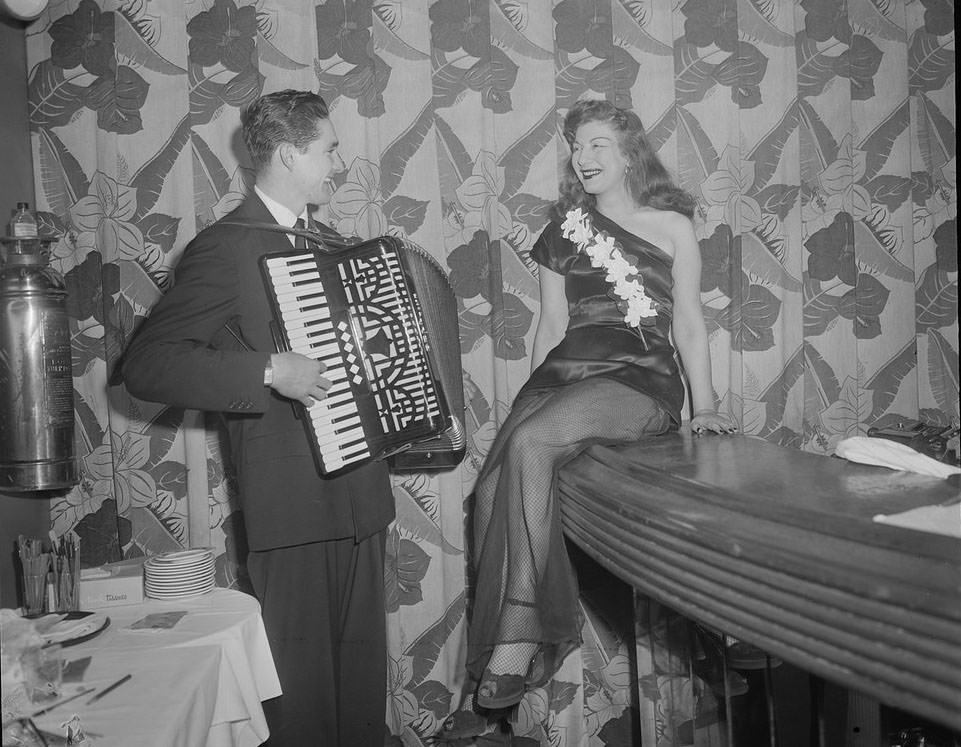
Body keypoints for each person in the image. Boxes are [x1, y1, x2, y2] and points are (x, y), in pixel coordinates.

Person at [442, 98, 737, 738]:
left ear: (630, 152)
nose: (583, 154)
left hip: (637, 377)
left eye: (598, 142)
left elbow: (688, 320)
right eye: (577, 144)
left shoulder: (672, 226)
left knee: (538, 443)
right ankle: (498, 672)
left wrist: (705, 404)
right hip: (565, 373)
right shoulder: (563, 228)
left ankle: (517, 641)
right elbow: (550, 325)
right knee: (494, 484)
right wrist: (528, 400)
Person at [121, 90, 394, 746]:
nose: (338, 161)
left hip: (361, 501)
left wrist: (397, 394)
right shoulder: (224, 247)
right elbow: (148, 365)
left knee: (359, 701)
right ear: (291, 152)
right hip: (293, 510)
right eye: (329, 148)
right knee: (303, 710)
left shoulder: (331, 243)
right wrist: (270, 371)